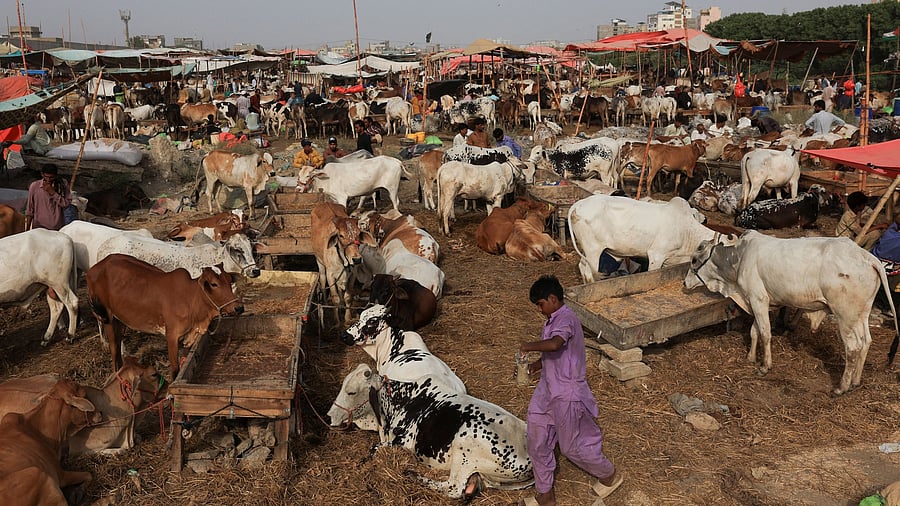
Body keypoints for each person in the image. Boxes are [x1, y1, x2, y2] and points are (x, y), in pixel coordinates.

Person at [518, 275, 622, 506]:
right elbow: (554, 353)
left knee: (571, 446)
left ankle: (609, 475)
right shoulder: (551, 318)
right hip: (547, 389)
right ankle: (545, 495)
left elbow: (556, 344)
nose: (538, 309)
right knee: (536, 439)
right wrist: (537, 364)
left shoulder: (567, 318)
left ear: (553, 299)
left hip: (567, 392)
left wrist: (528, 346)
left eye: (540, 304)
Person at [26, 163, 72, 231]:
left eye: (51, 177)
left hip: (57, 228)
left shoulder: (62, 185)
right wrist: (27, 229)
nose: (48, 180)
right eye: (46, 177)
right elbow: (30, 210)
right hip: (39, 228)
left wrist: (53, 193)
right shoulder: (34, 186)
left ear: (56, 176)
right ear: (42, 174)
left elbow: (66, 204)